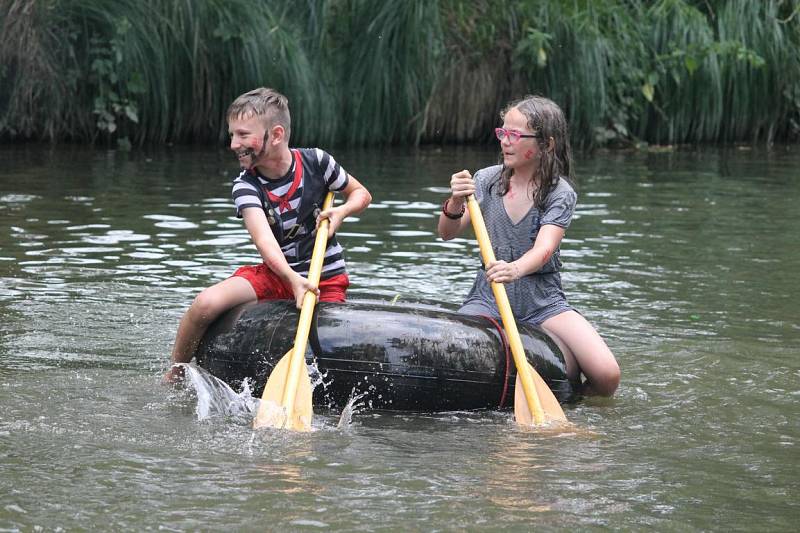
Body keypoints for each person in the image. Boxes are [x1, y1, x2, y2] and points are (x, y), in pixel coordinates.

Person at [164, 87, 372, 383]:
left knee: (326, 344)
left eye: (243, 135)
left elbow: (362, 194)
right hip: (278, 273)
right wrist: (290, 279)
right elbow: (265, 242)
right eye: (232, 135)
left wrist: (342, 212)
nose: (234, 144)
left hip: (322, 278)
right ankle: (176, 372)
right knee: (205, 304)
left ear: (275, 135)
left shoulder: (317, 162)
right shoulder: (246, 186)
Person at [437, 95, 619, 396]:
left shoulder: (559, 192)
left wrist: (514, 268)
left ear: (546, 145)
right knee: (455, 356)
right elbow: (447, 232)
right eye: (502, 133)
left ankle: (571, 404)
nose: (505, 142)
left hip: (543, 301)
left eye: (515, 135)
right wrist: (455, 200)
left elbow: (545, 248)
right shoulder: (486, 180)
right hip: (489, 295)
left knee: (607, 375)